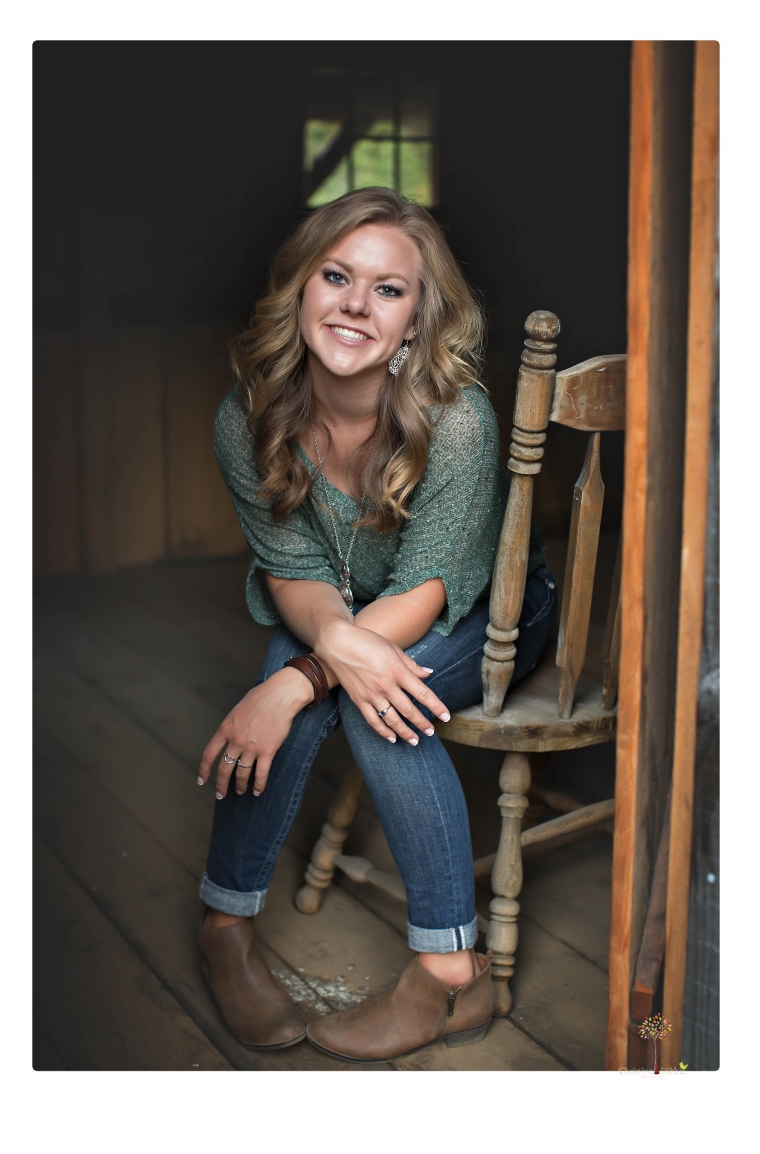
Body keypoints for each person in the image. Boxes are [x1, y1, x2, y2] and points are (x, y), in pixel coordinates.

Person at [196, 187, 557, 1063]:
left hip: (491, 611)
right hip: (350, 611)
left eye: (388, 289)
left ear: (415, 321)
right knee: (311, 661)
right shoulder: (248, 419)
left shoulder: (457, 421)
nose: (356, 304)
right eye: (337, 276)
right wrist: (313, 661)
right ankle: (225, 929)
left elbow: (426, 594)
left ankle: (446, 973)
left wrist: (297, 681)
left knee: (366, 698)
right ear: (301, 288)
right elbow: (295, 575)